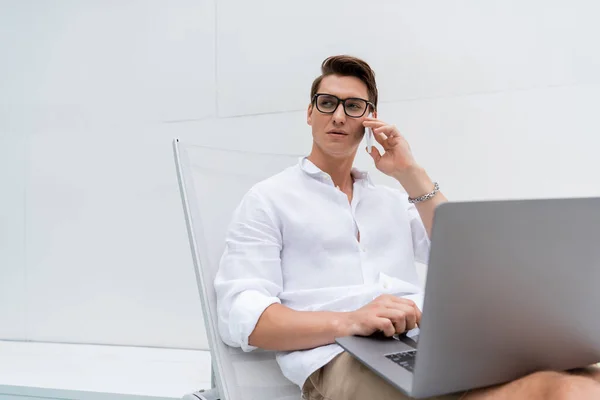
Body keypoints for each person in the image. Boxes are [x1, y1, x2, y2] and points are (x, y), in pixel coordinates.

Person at [214, 55, 600, 399]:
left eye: (353, 106)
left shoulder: (391, 201)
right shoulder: (268, 199)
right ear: (310, 112)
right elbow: (243, 318)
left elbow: (469, 259)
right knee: (551, 389)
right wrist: (349, 320)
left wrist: (410, 173)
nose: (338, 116)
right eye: (327, 103)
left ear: (370, 118)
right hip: (337, 359)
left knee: (582, 375)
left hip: (425, 346)